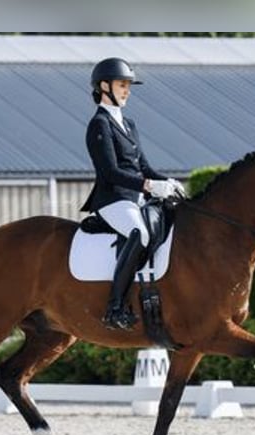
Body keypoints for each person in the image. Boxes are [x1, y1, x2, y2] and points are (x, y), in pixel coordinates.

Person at [80, 57, 184, 330]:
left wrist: (168, 182)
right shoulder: (99, 125)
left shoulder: (129, 124)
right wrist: (149, 186)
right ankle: (114, 307)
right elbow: (111, 172)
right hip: (113, 199)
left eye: (128, 85)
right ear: (104, 86)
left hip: (136, 198)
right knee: (141, 233)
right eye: (122, 84)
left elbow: (144, 167)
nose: (127, 90)